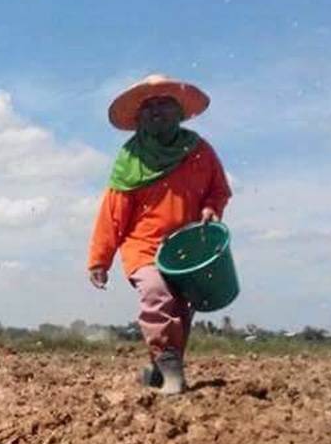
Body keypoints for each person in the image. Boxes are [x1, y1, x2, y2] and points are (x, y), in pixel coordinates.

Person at [87, 74, 232, 395]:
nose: (156, 112)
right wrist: (100, 259)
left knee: (180, 310)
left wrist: (211, 209)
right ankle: (172, 376)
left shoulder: (199, 151)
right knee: (157, 294)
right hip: (144, 248)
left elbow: (218, 190)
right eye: (148, 107)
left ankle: (158, 370)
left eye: (164, 104)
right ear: (138, 119)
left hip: (187, 248)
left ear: (179, 111)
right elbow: (113, 213)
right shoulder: (130, 159)